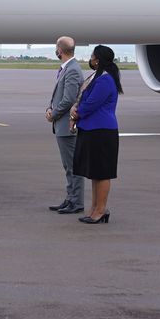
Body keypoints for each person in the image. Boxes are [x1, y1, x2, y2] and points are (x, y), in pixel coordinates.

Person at [70, 45, 122, 224]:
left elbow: (91, 103)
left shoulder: (104, 80)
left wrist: (75, 114)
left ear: (98, 59)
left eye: (92, 56)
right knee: (95, 173)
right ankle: (95, 208)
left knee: (102, 172)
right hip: (91, 130)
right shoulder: (97, 77)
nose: (90, 59)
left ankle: (100, 210)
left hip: (101, 131)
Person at [46, 36, 84, 214]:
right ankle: (70, 199)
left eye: (56, 47)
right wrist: (49, 108)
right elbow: (59, 95)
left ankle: (76, 202)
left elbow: (68, 99)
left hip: (67, 126)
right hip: (61, 125)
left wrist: (53, 115)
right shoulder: (67, 68)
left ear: (59, 50)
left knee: (73, 166)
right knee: (68, 166)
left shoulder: (73, 70)